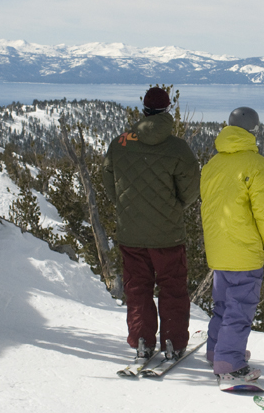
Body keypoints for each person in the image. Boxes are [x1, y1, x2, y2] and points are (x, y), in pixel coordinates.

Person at [103, 87, 200, 361]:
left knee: (137, 287)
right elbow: (191, 189)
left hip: (131, 233)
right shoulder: (178, 148)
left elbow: (109, 180)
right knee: (173, 287)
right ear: (168, 109)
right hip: (168, 234)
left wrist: (126, 207)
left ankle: (142, 341)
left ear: (143, 109)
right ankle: (173, 342)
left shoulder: (120, 143)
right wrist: (173, 208)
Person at [200, 106, 264, 387]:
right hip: (244, 251)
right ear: (254, 131)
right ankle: (230, 364)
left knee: (222, 305)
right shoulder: (257, 164)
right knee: (240, 308)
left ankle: (216, 351)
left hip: (218, 249)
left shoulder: (212, 164)